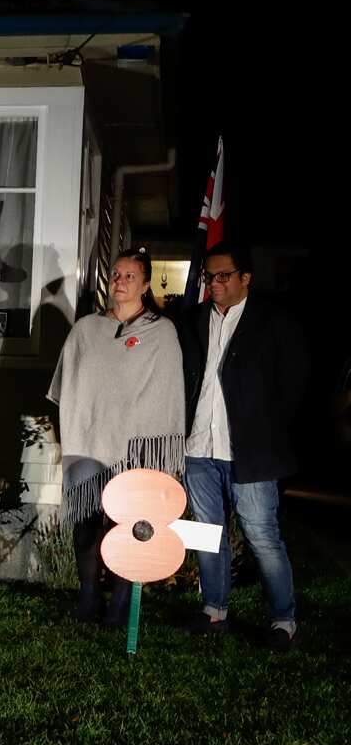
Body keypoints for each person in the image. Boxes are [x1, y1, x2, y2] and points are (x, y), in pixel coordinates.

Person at [180, 240, 308, 652]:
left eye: (223, 276)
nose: (214, 283)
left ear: (245, 277)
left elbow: (294, 381)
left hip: (251, 451)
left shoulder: (273, 321)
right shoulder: (195, 319)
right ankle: (214, 609)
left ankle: (283, 620)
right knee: (205, 532)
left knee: (261, 535)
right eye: (209, 276)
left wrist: (268, 429)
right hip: (199, 447)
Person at [48, 248, 185, 625]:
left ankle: (121, 605)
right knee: (88, 524)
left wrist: (157, 454)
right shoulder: (86, 329)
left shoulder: (161, 332)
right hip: (90, 443)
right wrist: (71, 433)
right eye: (116, 275)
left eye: (129, 276)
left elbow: (167, 394)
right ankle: (88, 598)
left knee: (130, 526)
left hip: (136, 449)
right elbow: (67, 388)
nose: (120, 281)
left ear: (144, 284)